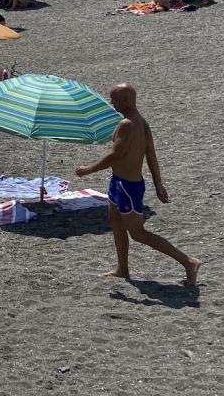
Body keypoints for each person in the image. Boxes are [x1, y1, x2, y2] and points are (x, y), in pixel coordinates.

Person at [74, 83, 201, 286]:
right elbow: (150, 154)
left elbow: (115, 155)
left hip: (128, 186)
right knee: (115, 222)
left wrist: (88, 169)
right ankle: (122, 269)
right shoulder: (141, 122)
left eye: (113, 99)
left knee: (138, 233)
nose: (111, 102)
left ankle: (188, 262)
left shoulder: (127, 125)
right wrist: (158, 184)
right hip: (119, 183)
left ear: (124, 101)